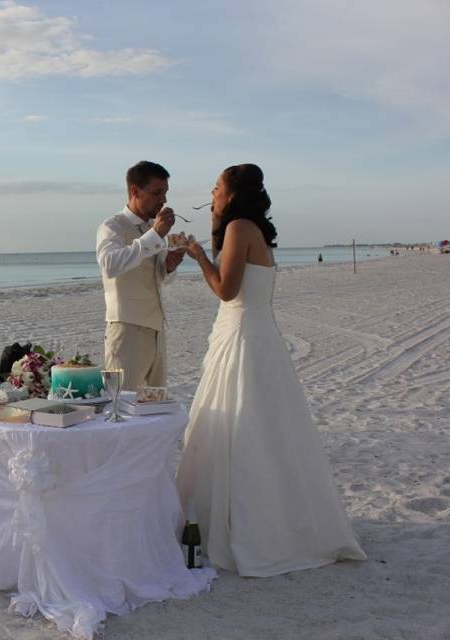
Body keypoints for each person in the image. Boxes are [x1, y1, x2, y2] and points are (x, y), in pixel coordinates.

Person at [176, 164, 365, 577]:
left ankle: (246, 524)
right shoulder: (247, 227)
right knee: (261, 429)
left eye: (217, 188)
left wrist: (198, 257)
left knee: (243, 429)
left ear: (233, 194)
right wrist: (211, 229)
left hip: (243, 335)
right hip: (250, 331)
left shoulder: (239, 228)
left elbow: (225, 289)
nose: (211, 192)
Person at [96, 161, 185, 389]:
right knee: (119, 404)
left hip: (157, 329)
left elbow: (156, 280)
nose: (163, 200)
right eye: (157, 193)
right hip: (126, 331)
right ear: (135, 191)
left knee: (156, 406)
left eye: (165, 193)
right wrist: (155, 235)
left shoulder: (153, 230)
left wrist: (168, 267)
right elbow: (110, 265)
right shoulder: (113, 226)